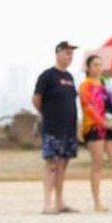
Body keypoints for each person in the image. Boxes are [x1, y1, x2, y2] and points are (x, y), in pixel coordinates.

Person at [79, 55, 112, 212]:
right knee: (98, 164)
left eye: (100, 64)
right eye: (95, 65)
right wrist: (104, 123)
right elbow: (89, 108)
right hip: (95, 128)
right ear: (88, 68)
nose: (98, 67)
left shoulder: (106, 83)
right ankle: (97, 203)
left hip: (111, 128)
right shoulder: (85, 86)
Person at [33, 41, 80, 214]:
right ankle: (47, 203)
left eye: (72, 54)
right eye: (67, 53)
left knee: (63, 165)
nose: (70, 57)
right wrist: (47, 113)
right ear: (58, 53)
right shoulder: (47, 76)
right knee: (52, 165)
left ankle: (60, 202)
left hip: (68, 129)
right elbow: (36, 99)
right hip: (53, 129)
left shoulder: (69, 77)